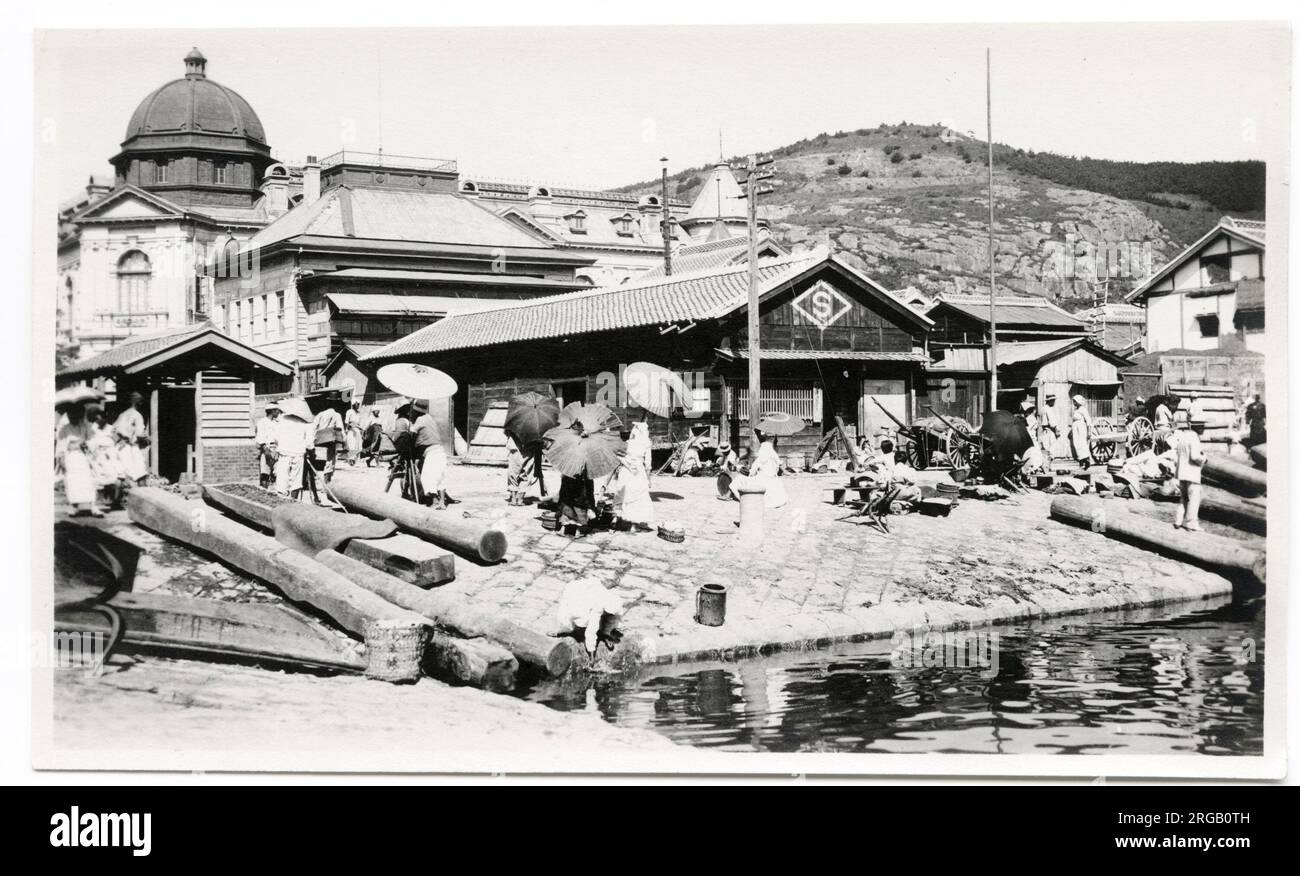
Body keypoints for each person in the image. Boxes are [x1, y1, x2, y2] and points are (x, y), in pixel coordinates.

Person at [553, 576, 625, 659]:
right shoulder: (594, 610)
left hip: (578, 593)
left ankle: (605, 634)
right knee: (579, 628)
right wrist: (592, 655)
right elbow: (591, 632)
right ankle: (569, 633)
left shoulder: (604, 596)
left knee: (609, 622)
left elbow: (602, 588)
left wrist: (607, 632)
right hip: (576, 607)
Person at [57, 404, 102, 516]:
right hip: (71, 458)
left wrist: (86, 443)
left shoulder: (85, 427)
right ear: (69, 415)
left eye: (77, 415)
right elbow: (61, 446)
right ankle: (74, 507)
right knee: (73, 482)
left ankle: (93, 506)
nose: (74, 417)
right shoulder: (64, 429)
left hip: (82, 457)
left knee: (88, 481)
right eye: (71, 414)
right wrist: (61, 460)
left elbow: (92, 441)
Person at [611, 421, 655, 530]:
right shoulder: (646, 444)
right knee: (637, 497)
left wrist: (626, 462)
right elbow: (648, 464)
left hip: (626, 471)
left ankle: (615, 519)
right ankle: (633, 526)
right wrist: (649, 479)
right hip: (639, 472)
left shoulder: (628, 443)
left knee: (623, 494)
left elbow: (618, 455)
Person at [84, 404, 127, 510]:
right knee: (99, 478)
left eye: (101, 418)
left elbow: (121, 440)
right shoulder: (92, 429)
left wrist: (118, 448)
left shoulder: (111, 429)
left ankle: (116, 502)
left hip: (111, 455)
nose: (99, 421)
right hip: (98, 455)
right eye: (97, 419)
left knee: (118, 476)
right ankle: (99, 500)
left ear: (105, 418)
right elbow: (88, 442)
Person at [729, 431, 787, 509]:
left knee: (739, 480)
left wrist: (750, 472)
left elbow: (752, 471)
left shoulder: (760, 458)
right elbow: (778, 466)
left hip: (763, 479)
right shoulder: (773, 455)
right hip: (773, 480)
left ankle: (740, 496)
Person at [1171, 409, 1206, 530]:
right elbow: (1195, 456)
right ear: (1198, 427)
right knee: (1194, 498)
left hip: (1181, 472)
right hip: (1192, 473)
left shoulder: (1183, 437)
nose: (1203, 428)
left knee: (1183, 498)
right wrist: (1204, 458)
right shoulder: (1195, 438)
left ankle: (1178, 520)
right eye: (1202, 426)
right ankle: (1191, 523)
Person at [411, 401, 448, 509]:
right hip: (440, 450)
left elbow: (412, 433)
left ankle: (435, 501)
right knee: (441, 478)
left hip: (432, 452)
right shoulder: (430, 418)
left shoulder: (420, 419)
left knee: (427, 477)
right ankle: (442, 502)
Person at [272, 405, 310, 499]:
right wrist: (309, 450)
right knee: (296, 479)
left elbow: (275, 437)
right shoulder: (304, 422)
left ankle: (282, 499)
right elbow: (309, 441)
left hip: (284, 452)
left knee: (282, 477)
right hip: (298, 453)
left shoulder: (282, 420)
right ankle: (294, 501)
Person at [112, 392, 150, 485]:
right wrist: (148, 439)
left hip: (119, 446)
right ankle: (144, 495)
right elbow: (139, 434)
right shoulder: (137, 415)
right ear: (139, 403)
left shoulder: (122, 414)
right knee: (141, 473)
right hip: (130, 447)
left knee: (121, 474)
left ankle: (118, 498)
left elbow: (113, 429)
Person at [311, 404, 345, 485]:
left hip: (319, 440)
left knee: (317, 461)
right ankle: (326, 483)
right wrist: (344, 440)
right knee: (330, 462)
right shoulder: (336, 415)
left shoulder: (320, 414)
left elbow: (313, 427)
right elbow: (340, 428)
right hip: (330, 440)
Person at [254, 401, 281, 488]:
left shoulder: (277, 423)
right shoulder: (262, 422)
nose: (278, 412)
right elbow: (260, 438)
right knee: (265, 474)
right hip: (267, 449)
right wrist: (266, 452)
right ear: (272, 411)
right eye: (277, 410)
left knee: (278, 473)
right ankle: (264, 491)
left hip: (277, 449)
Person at [1069, 394, 1094, 468]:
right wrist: (1071, 432)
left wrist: (1089, 431)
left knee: (1082, 443)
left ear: (1078, 402)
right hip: (1075, 428)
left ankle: (1086, 460)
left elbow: (1088, 420)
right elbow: (1074, 421)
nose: (1074, 403)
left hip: (1081, 428)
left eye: (1075, 402)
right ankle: (1081, 459)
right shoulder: (1076, 410)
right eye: (1073, 402)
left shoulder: (1083, 409)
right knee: (1076, 444)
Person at [344, 401, 363, 466]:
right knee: (351, 444)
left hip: (357, 430)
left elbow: (359, 423)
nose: (357, 405)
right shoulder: (349, 411)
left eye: (358, 404)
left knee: (358, 445)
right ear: (353, 405)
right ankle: (350, 459)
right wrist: (346, 429)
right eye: (356, 404)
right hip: (351, 430)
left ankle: (354, 459)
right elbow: (347, 422)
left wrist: (360, 428)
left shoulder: (358, 413)